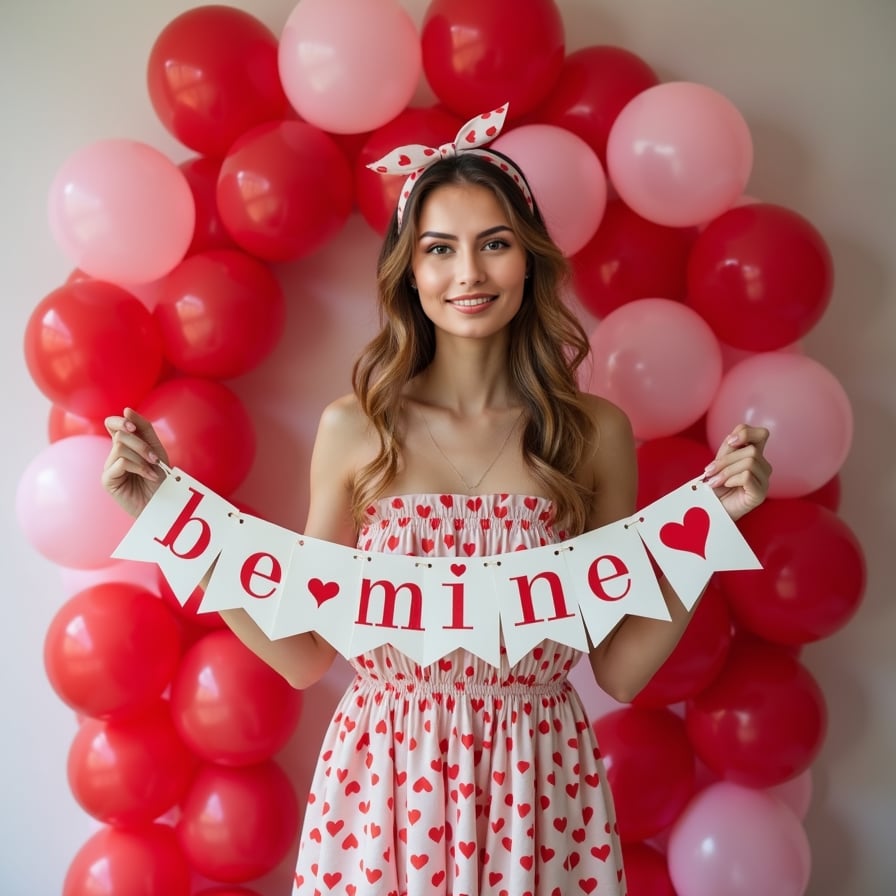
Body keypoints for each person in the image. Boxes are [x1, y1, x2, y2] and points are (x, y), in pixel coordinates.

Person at [102, 106, 771, 896]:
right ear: (410, 272)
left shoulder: (595, 434)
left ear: (530, 259)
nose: (469, 274)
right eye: (440, 249)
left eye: (495, 244)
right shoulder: (355, 430)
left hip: (539, 791)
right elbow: (303, 652)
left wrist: (708, 530)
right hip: (383, 791)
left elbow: (621, 672)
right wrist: (168, 521)